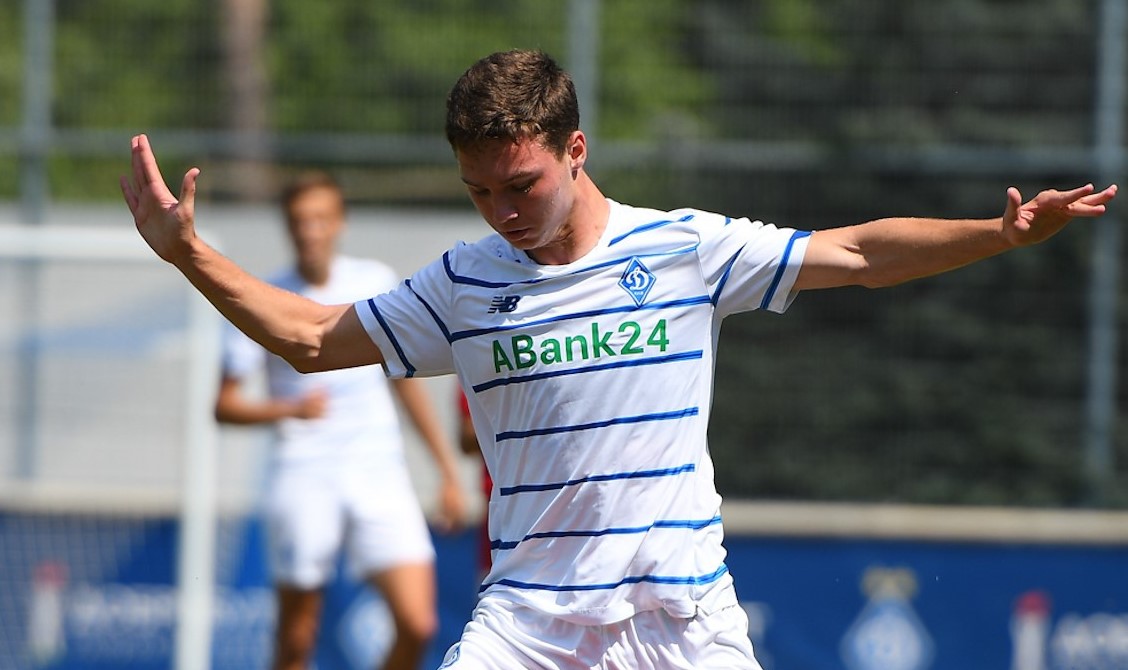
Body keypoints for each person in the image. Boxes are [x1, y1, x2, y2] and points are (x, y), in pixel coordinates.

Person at [121, 49, 1116, 670]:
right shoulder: (462, 282)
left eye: (520, 184)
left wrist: (998, 233)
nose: (501, 212)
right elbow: (307, 338)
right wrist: (187, 252)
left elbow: (854, 254)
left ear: (577, 149)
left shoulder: (682, 247)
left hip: (681, 617)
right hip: (529, 623)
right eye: (478, 192)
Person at [212, 170, 468, 670]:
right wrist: (290, 409)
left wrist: (446, 471)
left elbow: (405, 382)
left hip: (377, 469)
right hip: (304, 469)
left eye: (320, 219)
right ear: (287, 226)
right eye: (300, 220)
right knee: (297, 637)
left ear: (340, 222)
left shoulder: (373, 282)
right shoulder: (266, 298)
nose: (310, 231)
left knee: (418, 624)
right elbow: (224, 405)